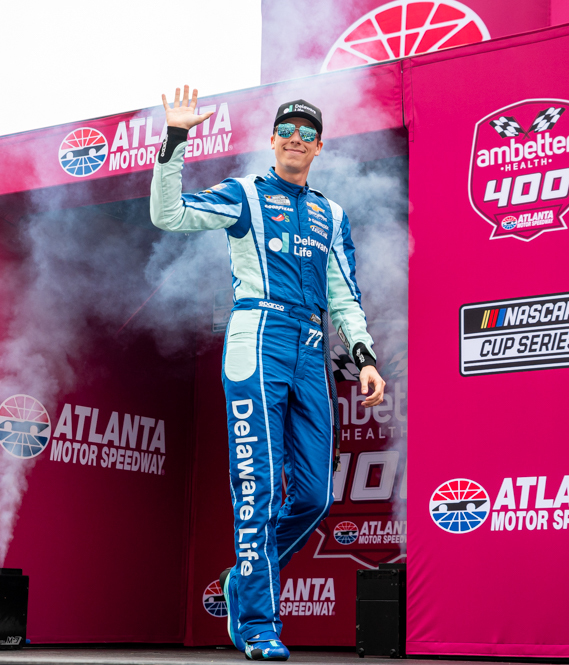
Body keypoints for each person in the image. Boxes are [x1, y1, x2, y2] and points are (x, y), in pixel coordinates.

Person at [151, 86, 386, 661]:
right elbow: (169, 214)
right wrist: (177, 138)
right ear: (273, 139)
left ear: (320, 146)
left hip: (311, 344)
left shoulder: (332, 214)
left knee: (312, 497)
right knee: (255, 487)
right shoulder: (246, 197)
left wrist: (364, 355)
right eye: (288, 131)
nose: (297, 140)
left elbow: (345, 296)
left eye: (308, 134)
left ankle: (243, 578)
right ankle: (258, 623)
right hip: (256, 336)